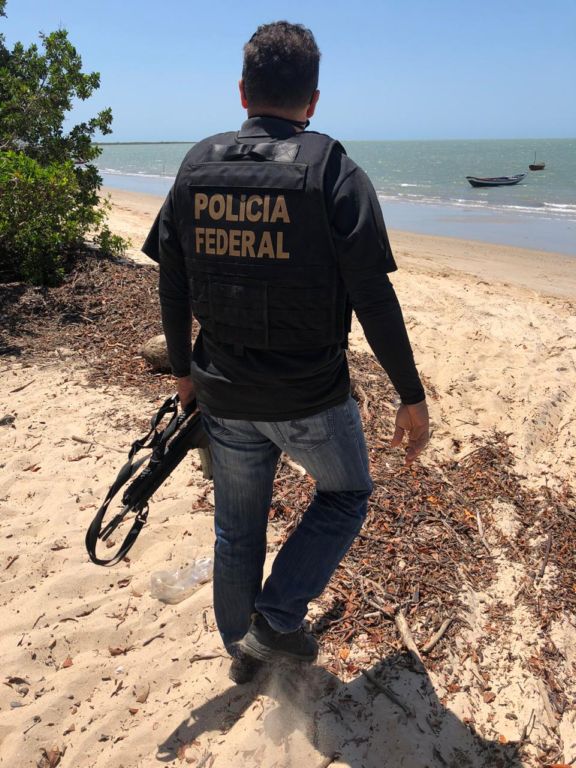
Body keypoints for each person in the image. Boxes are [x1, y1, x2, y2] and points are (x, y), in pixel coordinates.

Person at [143, 21, 429, 684]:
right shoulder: (333, 170)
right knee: (347, 493)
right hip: (309, 393)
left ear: (243, 92)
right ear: (314, 101)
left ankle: (242, 651)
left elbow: (172, 279)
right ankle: (273, 619)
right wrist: (410, 394)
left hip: (223, 388)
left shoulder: (197, 165)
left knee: (236, 530)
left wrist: (183, 372)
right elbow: (372, 296)